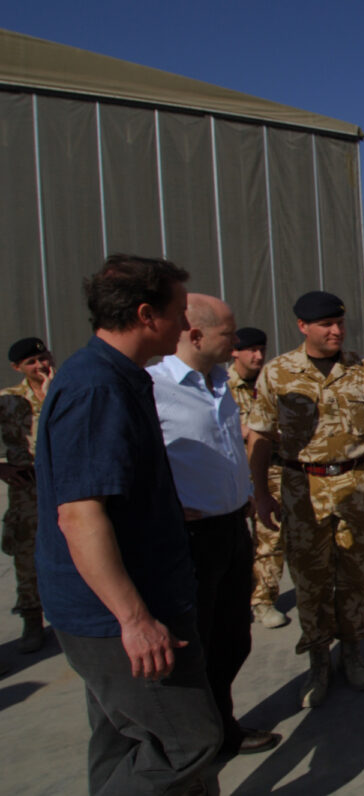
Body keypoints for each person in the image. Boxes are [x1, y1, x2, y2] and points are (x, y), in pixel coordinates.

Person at [36, 254, 221, 794]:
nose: (190, 326)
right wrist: (135, 619)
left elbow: (110, 489)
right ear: (146, 315)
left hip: (128, 601)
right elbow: (79, 514)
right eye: (180, 311)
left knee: (126, 740)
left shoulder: (122, 377)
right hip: (117, 617)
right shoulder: (97, 388)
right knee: (188, 742)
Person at [248, 290, 364, 709]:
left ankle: (352, 653)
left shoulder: (362, 369)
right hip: (302, 488)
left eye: (340, 323)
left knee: (355, 575)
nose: (336, 331)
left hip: (354, 484)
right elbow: (259, 437)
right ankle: (318, 662)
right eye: (325, 325)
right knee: (310, 580)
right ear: (303, 327)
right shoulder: (278, 373)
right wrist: (260, 493)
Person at [148, 296, 282, 757]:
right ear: (196, 334)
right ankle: (196, 743)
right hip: (191, 540)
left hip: (231, 530)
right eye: (228, 333)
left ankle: (219, 724)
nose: (236, 341)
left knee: (232, 640)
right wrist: (165, 508)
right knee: (194, 647)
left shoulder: (221, 382)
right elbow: (133, 465)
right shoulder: (152, 387)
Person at [228, 326, 288, 629]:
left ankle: (263, 600)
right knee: (242, 543)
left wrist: (258, 432)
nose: (258, 355)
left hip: (273, 470)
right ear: (234, 352)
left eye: (262, 349)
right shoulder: (221, 387)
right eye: (251, 350)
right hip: (236, 474)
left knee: (271, 537)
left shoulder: (271, 382)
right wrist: (252, 432)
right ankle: (248, 598)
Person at [0, 337, 54, 653]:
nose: (41, 365)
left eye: (43, 358)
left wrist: (50, 396)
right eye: (32, 362)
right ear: (17, 368)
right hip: (27, 491)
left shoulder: (64, 390)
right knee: (27, 557)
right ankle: (32, 620)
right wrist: (2, 469)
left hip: (63, 485)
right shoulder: (8, 400)